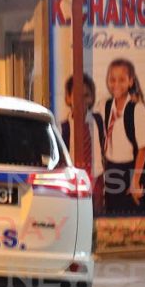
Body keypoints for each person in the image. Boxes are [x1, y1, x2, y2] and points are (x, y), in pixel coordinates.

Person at [101, 59, 145, 215]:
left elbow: (143, 148)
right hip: (112, 171)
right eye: (112, 79)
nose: (116, 84)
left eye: (122, 79)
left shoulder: (137, 109)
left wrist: (135, 181)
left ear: (130, 81)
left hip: (132, 171)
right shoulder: (106, 106)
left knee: (136, 219)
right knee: (113, 217)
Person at [61, 74, 105, 212]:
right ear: (68, 98)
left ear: (91, 98)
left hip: (96, 180)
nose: (82, 100)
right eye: (77, 95)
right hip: (73, 184)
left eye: (86, 95)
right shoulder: (63, 128)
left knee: (96, 220)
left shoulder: (98, 121)